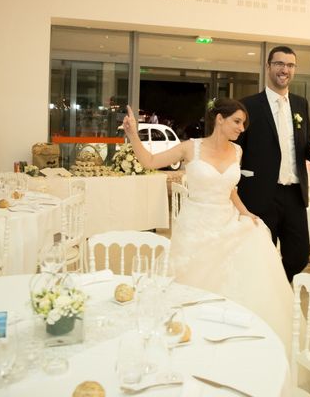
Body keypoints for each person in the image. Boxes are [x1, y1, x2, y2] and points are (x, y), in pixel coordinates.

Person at [122, 98, 294, 352]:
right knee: (191, 288)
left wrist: (246, 213)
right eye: (237, 121)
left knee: (239, 275)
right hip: (195, 228)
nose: (241, 128)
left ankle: (227, 344)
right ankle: (187, 343)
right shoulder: (190, 148)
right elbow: (149, 162)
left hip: (227, 224)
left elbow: (229, 189)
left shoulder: (237, 151)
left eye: (244, 123)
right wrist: (133, 134)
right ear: (220, 119)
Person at [236, 46, 310, 281]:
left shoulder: (300, 104)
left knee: (299, 254)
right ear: (268, 67)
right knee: (260, 254)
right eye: (279, 64)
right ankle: (264, 298)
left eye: (290, 65)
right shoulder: (249, 105)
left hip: (294, 195)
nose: (284, 69)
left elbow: (304, 145)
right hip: (260, 194)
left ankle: (279, 285)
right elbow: (237, 148)